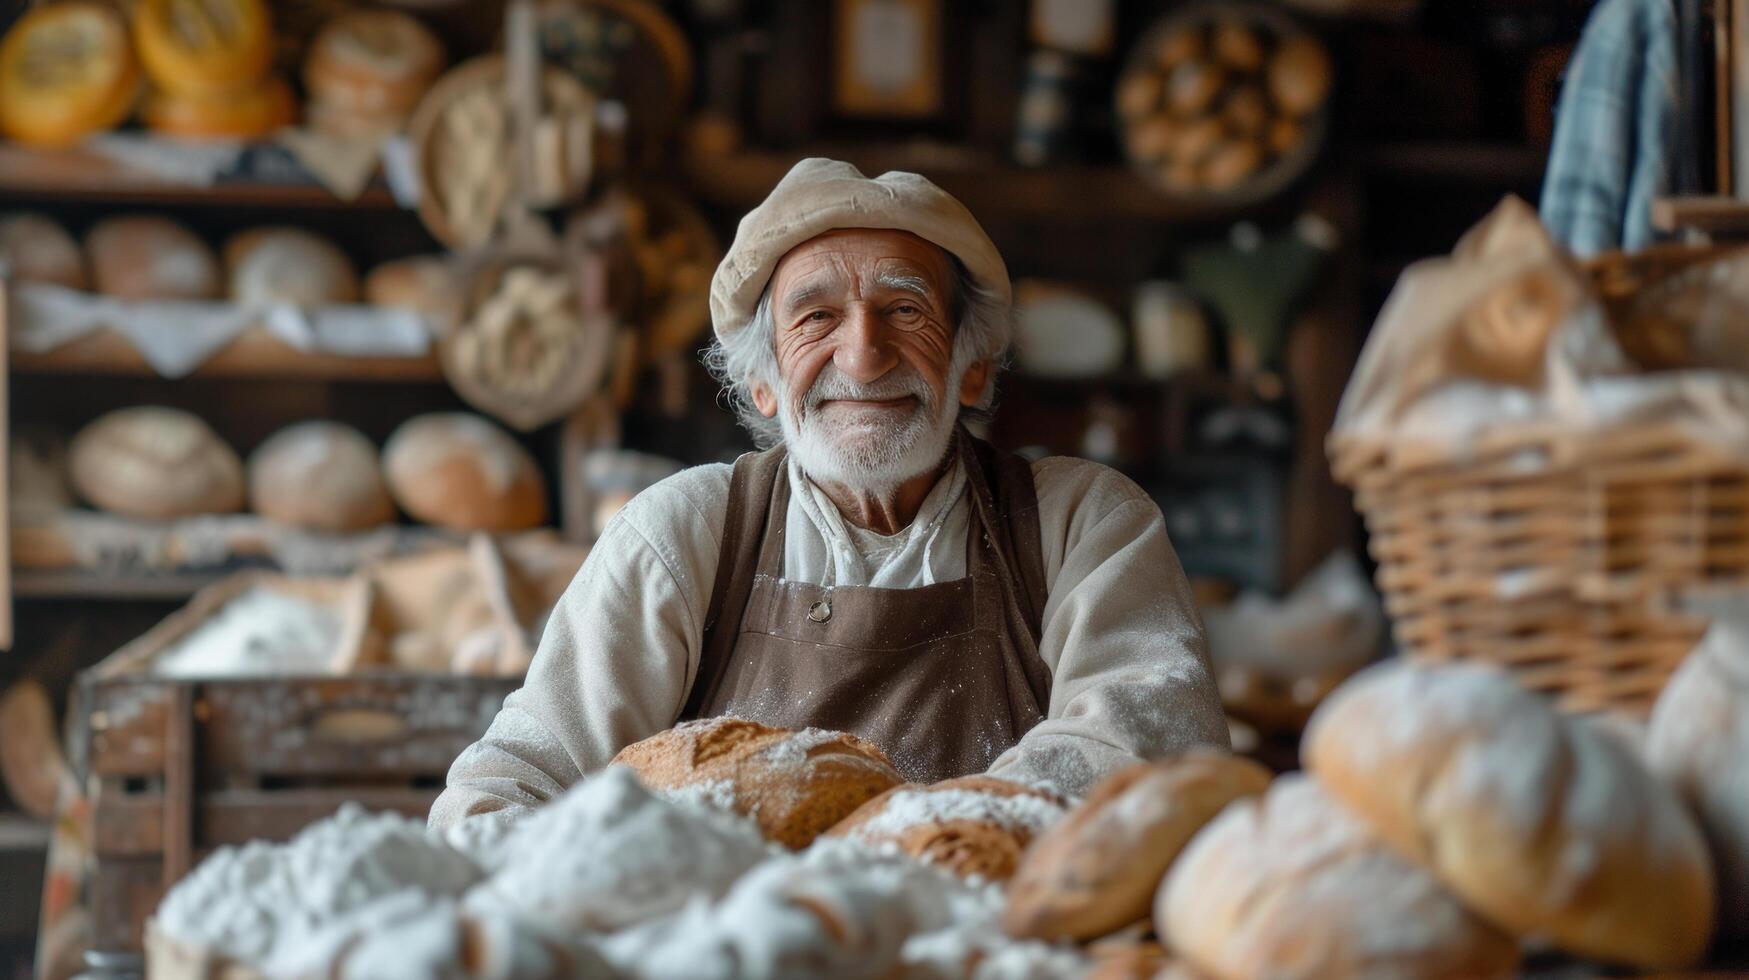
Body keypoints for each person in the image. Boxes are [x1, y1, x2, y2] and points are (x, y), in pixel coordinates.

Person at [429, 158, 1227, 829]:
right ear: (763, 382)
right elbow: (505, 789)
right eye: (815, 316)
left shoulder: (1079, 522)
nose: (863, 352)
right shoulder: (687, 531)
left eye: (904, 309)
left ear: (971, 368)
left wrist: (879, 852)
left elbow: (1149, 752)